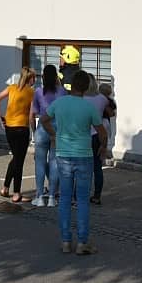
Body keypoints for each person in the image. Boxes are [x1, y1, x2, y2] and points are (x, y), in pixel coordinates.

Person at [44, 70, 106, 255]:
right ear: (86, 87)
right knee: (82, 200)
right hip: (84, 155)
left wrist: (53, 135)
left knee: (64, 198)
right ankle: (82, 242)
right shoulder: (89, 107)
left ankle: (65, 241)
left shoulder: (60, 103)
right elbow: (102, 132)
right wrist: (103, 146)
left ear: (71, 85)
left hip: (63, 154)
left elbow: (45, 119)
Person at [0, 67, 36, 202]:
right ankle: (17, 193)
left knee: (15, 158)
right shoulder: (31, 92)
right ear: (30, 78)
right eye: (34, 77)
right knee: (19, 161)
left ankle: (5, 187)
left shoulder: (12, 88)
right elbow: (31, 115)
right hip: (21, 128)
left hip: (9, 127)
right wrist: (33, 130)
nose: (35, 80)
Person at [29, 64, 64, 208]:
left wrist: (33, 132)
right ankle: (52, 197)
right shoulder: (62, 92)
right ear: (56, 77)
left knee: (40, 162)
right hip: (57, 129)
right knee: (55, 162)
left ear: (43, 77)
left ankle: (39, 196)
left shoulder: (38, 92)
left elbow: (32, 114)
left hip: (42, 129)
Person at [83, 75, 110, 205]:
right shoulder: (102, 99)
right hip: (97, 135)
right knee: (97, 167)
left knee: (83, 168)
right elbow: (110, 112)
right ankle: (97, 195)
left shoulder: (80, 99)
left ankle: (81, 194)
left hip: (83, 136)